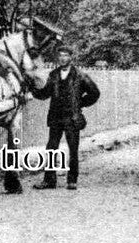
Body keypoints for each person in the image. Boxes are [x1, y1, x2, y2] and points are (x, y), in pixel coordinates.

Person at [32, 46, 100, 191]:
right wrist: (32, 89)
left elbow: (95, 93)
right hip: (56, 117)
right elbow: (45, 93)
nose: (62, 58)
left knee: (73, 149)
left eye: (65, 55)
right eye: (60, 55)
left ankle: (72, 180)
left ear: (71, 57)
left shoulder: (80, 75)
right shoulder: (53, 75)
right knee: (51, 148)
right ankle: (49, 181)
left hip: (72, 118)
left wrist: (80, 103)